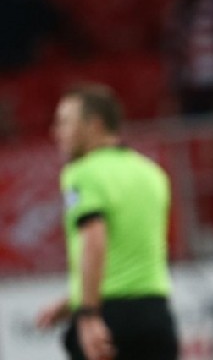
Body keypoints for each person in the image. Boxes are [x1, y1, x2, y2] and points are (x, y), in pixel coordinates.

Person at [36, 84, 178, 360]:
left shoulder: (82, 173)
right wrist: (70, 302)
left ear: (95, 125)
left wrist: (88, 314)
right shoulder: (152, 173)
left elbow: (95, 241)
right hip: (155, 315)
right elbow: (128, 254)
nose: (57, 132)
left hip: (108, 316)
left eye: (65, 122)